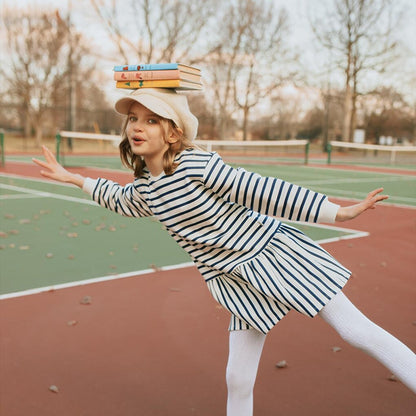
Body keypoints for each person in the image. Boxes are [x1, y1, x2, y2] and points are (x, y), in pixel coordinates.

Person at [33, 88, 416, 414]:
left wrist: (338, 211)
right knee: (237, 377)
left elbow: (263, 190)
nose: (137, 126)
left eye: (151, 119)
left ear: (173, 133)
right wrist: (74, 179)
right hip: (235, 281)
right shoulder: (148, 188)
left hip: (273, 255)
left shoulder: (196, 165)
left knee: (355, 330)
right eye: (134, 117)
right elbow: (119, 198)